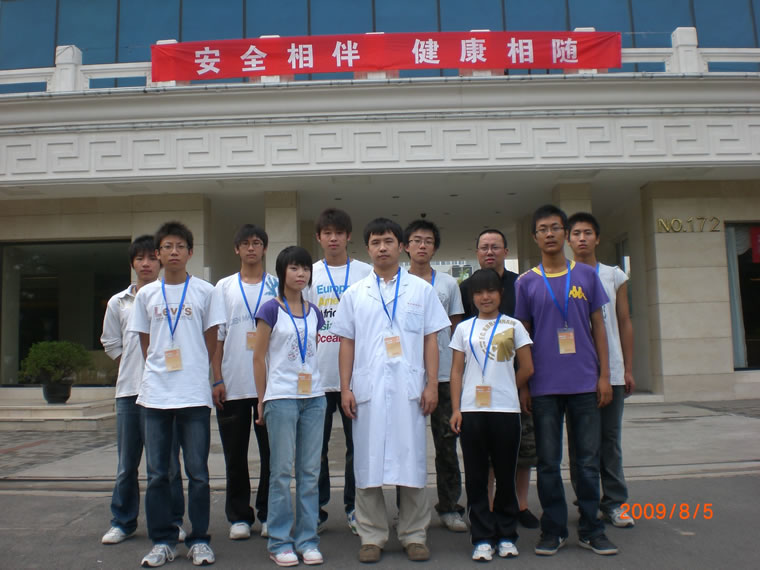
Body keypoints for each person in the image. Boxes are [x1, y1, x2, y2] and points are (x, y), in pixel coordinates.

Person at [332, 218, 450, 564]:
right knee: (367, 463)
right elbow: (346, 343)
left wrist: (432, 384)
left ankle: (414, 535)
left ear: (401, 246)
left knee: (410, 460)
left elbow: (431, 340)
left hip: (409, 390)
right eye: (375, 242)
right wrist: (345, 388)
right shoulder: (355, 294)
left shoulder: (421, 290)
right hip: (367, 389)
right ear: (367, 248)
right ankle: (372, 535)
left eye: (387, 241)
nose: (382, 248)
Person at [514, 204, 618, 557]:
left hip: (585, 384)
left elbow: (599, 328)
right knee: (547, 463)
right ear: (535, 237)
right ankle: (554, 530)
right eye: (543, 229)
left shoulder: (587, 276)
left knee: (587, 462)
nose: (550, 234)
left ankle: (591, 529)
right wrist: (524, 385)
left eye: (556, 227)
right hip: (544, 387)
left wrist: (605, 376)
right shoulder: (526, 282)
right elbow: (522, 337)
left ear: (565, 233)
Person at [129, 221, 225, 567]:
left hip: (193, 395)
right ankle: (164, 540)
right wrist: (162, 368)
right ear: (158, 253)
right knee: (158, 473)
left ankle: (199, 539)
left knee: (198, 472)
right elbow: (145, 343)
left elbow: (211, 340)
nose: (173, 252)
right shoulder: (146, 295)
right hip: (155, 396)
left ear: (190, 252)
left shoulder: (205, 292)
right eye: (167, 247)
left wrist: (195, 369)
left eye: (180, 247)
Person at [100, 236, 186, 546]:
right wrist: (132, 364)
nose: (146, 264)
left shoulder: (171, 297)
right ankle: (122, 521)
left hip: (163, 393)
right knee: (127, 464)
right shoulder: (118, 302)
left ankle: (172, 521)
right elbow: (110, 342)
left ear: (160, 260)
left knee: (167, 465)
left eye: (152, 257)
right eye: (140, 259)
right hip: (129, 392)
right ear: (132, 263)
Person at [449, 269, 534, 561]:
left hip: (505, 410)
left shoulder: (514, 326)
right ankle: (482, 537)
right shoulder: (464, 329)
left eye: (491, 291)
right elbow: (456, 371)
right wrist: (456, 408)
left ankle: (507, 535)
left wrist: (507, 386)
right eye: (479, 292)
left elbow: (527, 367)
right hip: (472, 411)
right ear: (472, 297)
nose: (485, 297)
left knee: (506, 475)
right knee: (475, 477)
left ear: (501, 294)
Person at [459, 229, 539, 529]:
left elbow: (529, 333)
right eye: (484, 247)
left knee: (522, 450)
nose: (489, 252)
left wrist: (522, 386)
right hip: (479, 388)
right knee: (484, 456)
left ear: (506, 251)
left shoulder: (521, 284)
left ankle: (520, 505)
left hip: (514, 383)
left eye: (495, 247)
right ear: (477, 253)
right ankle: (488, 507)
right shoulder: (467, 287)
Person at [253, 246, 326, 567]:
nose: (301, 274)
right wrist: (261, 399)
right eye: (294, 268)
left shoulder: (315, 312)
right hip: (281, 398)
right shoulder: (270, 310)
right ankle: (280, 541)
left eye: (305, 268)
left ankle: (308, 539)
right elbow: (258, 358)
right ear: (282, 272)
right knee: (281, 472)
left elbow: (311, 353)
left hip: (314, 398)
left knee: (310, 472)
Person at [567, 212, 635, 528]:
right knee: (582, 443)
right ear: (569, 240)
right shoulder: (563, 276)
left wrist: (628, 369)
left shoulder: (613, 275)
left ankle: (615, 502)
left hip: (614, 371)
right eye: (576, 233)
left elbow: (624, 321)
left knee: (610, 439)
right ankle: (587, 500)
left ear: (597, 238)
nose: (582, 238)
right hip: (578, 372)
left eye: (588, 233)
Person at [305, 208, 371, 535]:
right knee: (314, 449)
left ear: (348, 237)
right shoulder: (308, 274)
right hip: (317, 376)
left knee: (356, 447)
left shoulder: (365, 273)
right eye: (327, 233)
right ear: (318, 238)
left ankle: (355, 508)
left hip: (355, 377)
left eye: (339, 233)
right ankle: (316, 511)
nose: (333, 238)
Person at [211, 225, 279, 540]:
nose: (251, 248)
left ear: (264, 248)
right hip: (234, 382)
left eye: (257, 243)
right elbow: (218, 337)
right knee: (235, 455)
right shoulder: (223, 287)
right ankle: (239, 516)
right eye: (245, 243)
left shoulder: (277, 285)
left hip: (271, 385)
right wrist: (217, 378)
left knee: (272, 456)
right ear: (236, 249)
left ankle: (268, 513)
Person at [403, 219, 467, 533]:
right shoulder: (398, 282)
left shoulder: (448, 284)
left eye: (428, 241)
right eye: (416, 240)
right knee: (406, 446)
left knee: (446, 444)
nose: (422, 245)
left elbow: (457, 329)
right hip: (406, 375)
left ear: (435, 247)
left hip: (442, 376)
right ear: (406, 246)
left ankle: (450, 506)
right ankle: (406, 510)